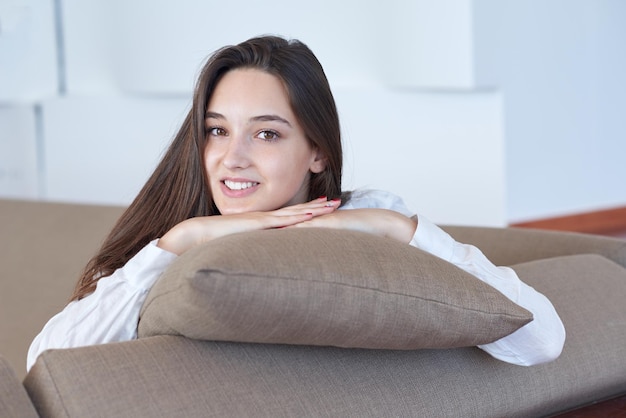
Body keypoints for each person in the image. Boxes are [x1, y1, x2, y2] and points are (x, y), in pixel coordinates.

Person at [27, 35, 565, 371]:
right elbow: (46, 364)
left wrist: (390, 225)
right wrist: (182, 240)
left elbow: (541, 339)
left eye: (266, 134)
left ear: (316, 151)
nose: (232, 158)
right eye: (217, 131)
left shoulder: (367, 218)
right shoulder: (172, 232)